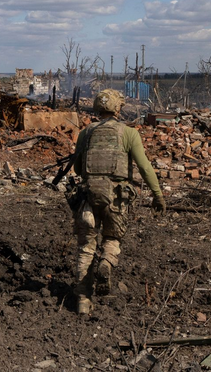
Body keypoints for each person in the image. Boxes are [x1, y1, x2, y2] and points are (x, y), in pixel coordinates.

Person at [71, 89, 165, 315]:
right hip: (116, 198)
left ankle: (83, 300)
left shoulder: (86, 133)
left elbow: (77, 168)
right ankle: (106, 262)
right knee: (112, 238)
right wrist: (157, 195)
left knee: (85, 248)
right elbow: (144, 166)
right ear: (118, 109)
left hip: (88, 197)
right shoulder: (129, 133)